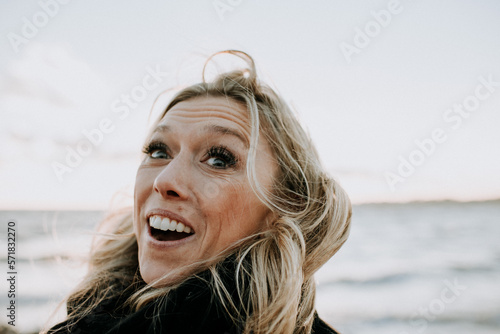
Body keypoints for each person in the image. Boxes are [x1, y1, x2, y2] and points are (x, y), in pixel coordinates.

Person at [46, 50, 352, 334]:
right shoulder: (91, 317)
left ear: (286, 204)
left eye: (219, 158)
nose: (165, 180)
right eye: (158, 151)